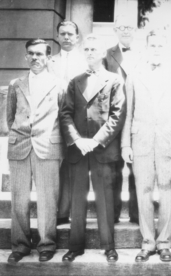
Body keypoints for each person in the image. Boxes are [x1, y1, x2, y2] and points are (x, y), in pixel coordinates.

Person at [121, 29, 171, 263]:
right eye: (153, 46)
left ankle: (164, 242)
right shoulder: (134, 75)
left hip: (169, 142)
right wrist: (125, 145)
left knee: (168, 191)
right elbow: (127, 114)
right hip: (141, 143)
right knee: (144, 192)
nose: (157, 50)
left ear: (166, 49)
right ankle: (148, 242)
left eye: (161, 46)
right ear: (146, 48)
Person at [60, 34, 126, 263]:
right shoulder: (75, 80)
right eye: (86, 49)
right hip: (78, 150)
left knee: (105, 199)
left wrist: (96, 140)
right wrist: (77, 140)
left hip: (102, 149)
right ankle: (75, 246)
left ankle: (108, 246)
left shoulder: (114, 80)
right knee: (77, 200)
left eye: (93, 49)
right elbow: (66, 113)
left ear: (101, 53)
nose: (89, 52)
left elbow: (117, 115)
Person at [6, 39, 65, 263]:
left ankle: (46, 245)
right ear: (25, 57)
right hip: (19, 146)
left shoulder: (59, 84)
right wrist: (18, 134)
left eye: (40, 54)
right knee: (19, 199)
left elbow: (62, 116)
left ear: (48, 58)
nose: (35, 58)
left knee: (47, 199)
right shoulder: (16, 84)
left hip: (47, 146)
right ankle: (20, 245)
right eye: (31, 54)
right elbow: (10, 117)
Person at [48, 20, 88, 226]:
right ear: (57, 36)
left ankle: (71, 212)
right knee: (56, 168)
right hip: (53, 124)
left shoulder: (85, 61)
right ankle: (57, 212)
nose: (66, 37)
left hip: (76, 124)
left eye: (70, 34)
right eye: (62, 33)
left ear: (77, 37)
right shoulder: (49, 62)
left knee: (74, 168)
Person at [104, 15, 141, 224]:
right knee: (115, 167)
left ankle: (136, 214)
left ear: (135, 30)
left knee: (138, 166)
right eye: (122, 27)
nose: (126, 30)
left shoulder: (143, 54)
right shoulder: (107, 54)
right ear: (115, 30)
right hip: (116, 117)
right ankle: (114, 213)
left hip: (139, 117)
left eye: (130, 27)